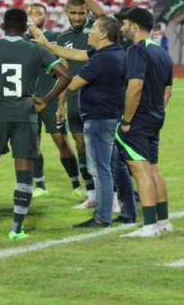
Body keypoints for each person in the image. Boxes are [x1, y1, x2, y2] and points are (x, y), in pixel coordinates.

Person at [0, 8, 72, 240]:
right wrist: (46, 100)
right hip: (25, 114)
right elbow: (65, 75)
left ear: (2, 26)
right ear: (26, 28)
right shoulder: (35, 49)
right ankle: (17, 229)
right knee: (24, 174)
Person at [30, 17, 129, 228]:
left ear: (103, 34)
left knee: (99, 168)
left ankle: (102, 216)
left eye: (93, 28)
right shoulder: (111, 52)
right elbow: (76, 54)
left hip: (100, 119)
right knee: (113, 166)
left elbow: (73, 84)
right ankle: (127, 211)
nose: (88, 32)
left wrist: (56, 72)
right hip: (111, 117)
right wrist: (47, 44)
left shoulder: (103, 58)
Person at [115, 7, 174, 238]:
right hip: (154, 118)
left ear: (134, 26)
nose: (121, 28)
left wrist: (127, 120)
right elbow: (168, 92)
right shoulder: (162, 52)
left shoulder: (136, 51)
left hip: (137, 121)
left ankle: (150, 226)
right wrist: (155, 112)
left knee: (141, 172)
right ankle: (164, 220)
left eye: (124, 23)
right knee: (153, 169)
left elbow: (135, 87)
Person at [56, 0, 107, 209]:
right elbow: (64, 74)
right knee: (81, 147)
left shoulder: (95, 30)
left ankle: (114, 193)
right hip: (75, 98)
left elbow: (103, 15)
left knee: (103, 147)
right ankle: (93, 196)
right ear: (66, 13)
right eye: (73, 13)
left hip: (97, 95)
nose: (77, 17)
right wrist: (61, 104)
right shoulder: (62, 38)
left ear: (87, 12)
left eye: (81, 12)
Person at [25, 2, 78, 197]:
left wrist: (61, 103)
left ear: (46, 17)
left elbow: (65, 69)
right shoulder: (21, 40)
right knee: (33, 142)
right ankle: (40, 186)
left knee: (61, 140)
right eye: (30, 13)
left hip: (51, 98)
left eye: (39, 13)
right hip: (28, 100)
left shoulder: (55, 38)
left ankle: (76, 185)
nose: (34, 16)